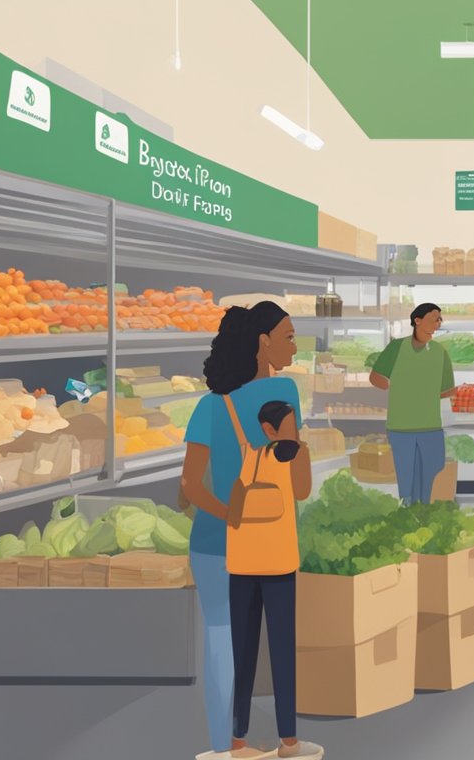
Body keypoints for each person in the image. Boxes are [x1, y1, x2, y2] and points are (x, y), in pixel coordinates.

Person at [181, 302, 322, 760]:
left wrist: (227, 514)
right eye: (288, 336)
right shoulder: (283, 391)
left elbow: (188, 487)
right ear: (262, 342)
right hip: (270, 541)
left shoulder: (207, 406)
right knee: (276, 640)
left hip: (211, 542)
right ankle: (286, 742)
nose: (294, 346)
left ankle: (226, 747)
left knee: (222, 639)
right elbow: (299, 486)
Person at [226, 400, 318, 760]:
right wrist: (302, 451)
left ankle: (237, 741)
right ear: (270, 429)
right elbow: (304, 491)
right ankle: (289, 743)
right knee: (282, 655)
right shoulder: (293, 455)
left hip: (242, 568)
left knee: (244, 655)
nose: (295, 432)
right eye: (290, 425)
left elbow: (234, 510)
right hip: (277, 568)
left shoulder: (251, 456)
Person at [370, 303, 457, 505]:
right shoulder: (396, 348)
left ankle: (424, 518)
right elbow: (376, 377)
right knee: (405, 481)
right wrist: (399, 386)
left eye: (440, 319)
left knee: (432, 477)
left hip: (431, 427)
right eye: (435, 318)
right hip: (401, 427)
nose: (439, 322)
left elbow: (446, 390)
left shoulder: (440, 352)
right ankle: (407, 519)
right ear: (417, 320)